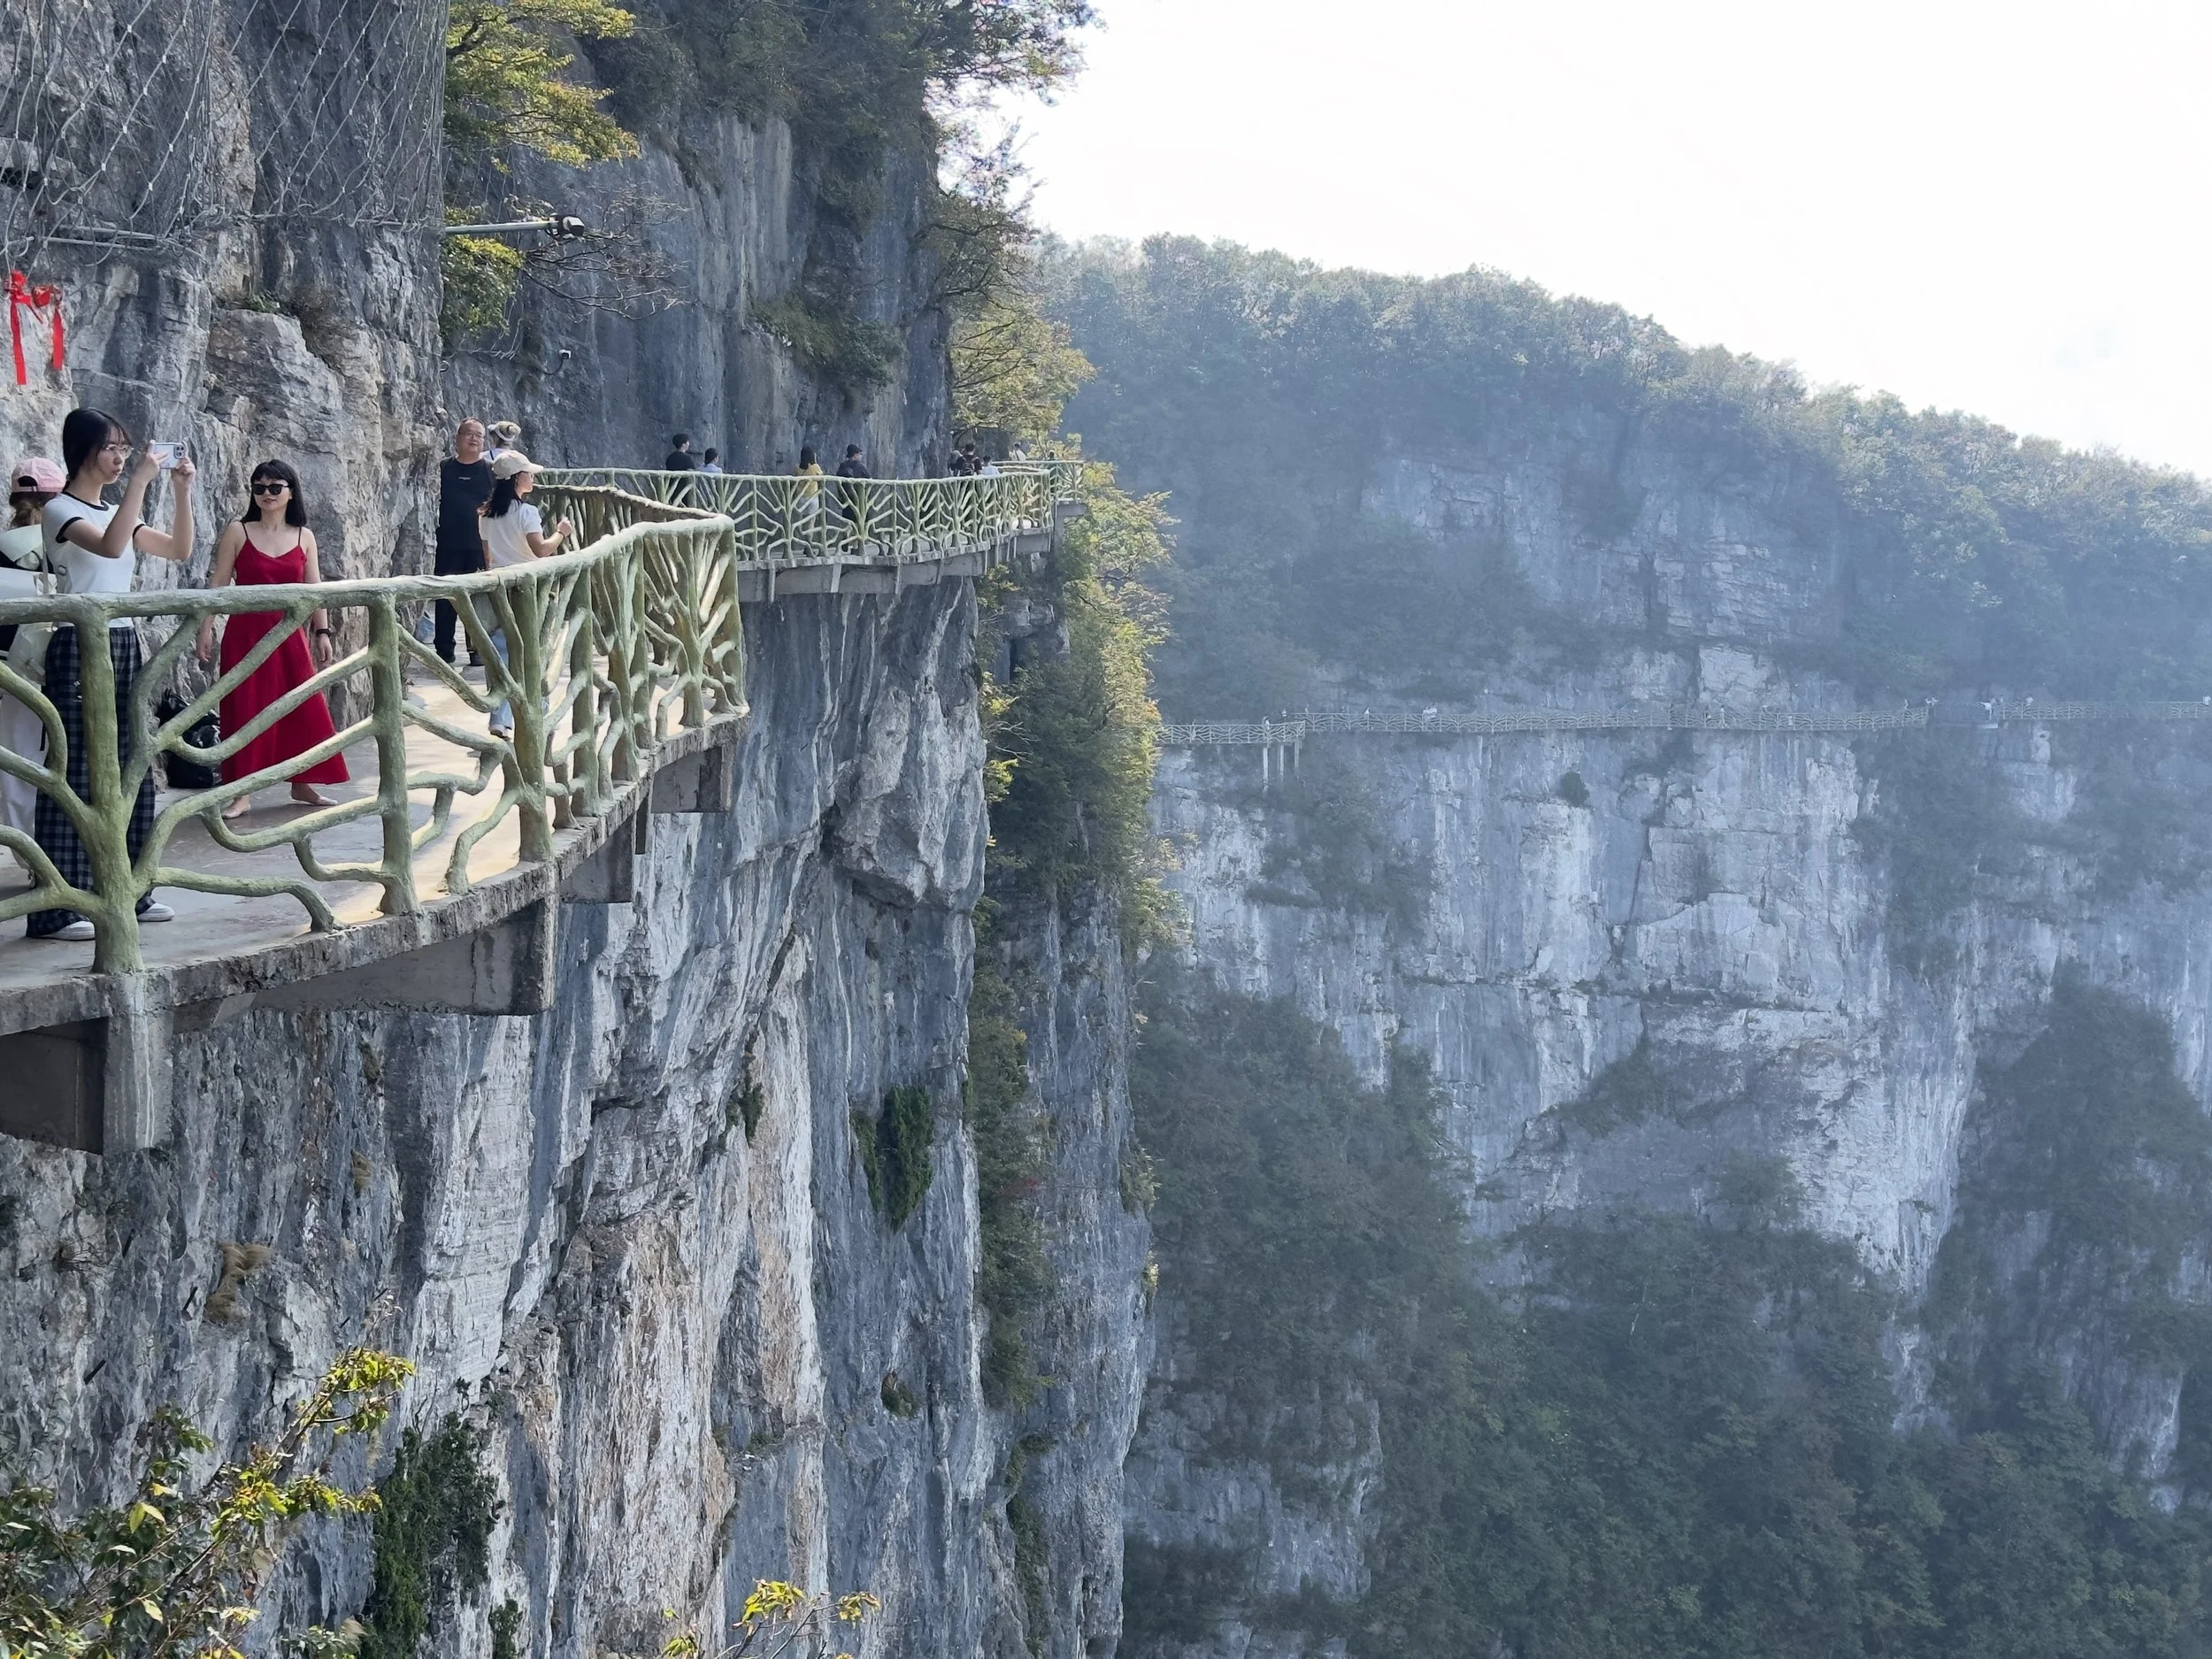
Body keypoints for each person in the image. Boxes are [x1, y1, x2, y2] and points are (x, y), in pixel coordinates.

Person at [27, 408, 195, 941]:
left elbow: (177, 550)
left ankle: (131, 888)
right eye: (112, 448)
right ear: (83, 451)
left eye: (127, 449)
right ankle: (57, 908)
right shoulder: (59, 510)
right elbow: (111, 546)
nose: (122, 458)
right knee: (76, 771)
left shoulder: (113, 508)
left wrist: (182, 490)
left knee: (133, 765)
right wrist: (142, 482)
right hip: (78, 641)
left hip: (121, 639)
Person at [195, 460, 349, 822]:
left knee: (301, 706)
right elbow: (217, 584)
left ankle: (303, 780)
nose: (266, 494)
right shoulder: (238, 530)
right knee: (244, 707)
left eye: (274, 487)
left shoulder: (304, 536)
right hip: (245, 633)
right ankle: (241, 791)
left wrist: (322, 632)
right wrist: (206, 628)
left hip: (289, 634)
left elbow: (314, 590)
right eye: (259, 487)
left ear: (290, 491)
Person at [479, 451, 572, 739]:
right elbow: (541, 550)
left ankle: (508, 716)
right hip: (529, 589)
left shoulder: (485, 515)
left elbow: (488, 556)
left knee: (504, 652)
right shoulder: (526, 513)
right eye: (529, 473)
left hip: (498, 586)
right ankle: (531, 713)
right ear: (519, 478)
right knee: (534, 650)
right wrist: (561, 533)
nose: (532, 477)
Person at [0, 457, 62, 858]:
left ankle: (28, 856)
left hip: (10, 669)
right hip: (66, 662)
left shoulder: (3, 547)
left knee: (17, 766)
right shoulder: (72, 542)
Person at [434, 419, 492, 665]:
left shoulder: (490, 471)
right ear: (457, 438)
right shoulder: (444, 468)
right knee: (445, 597)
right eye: (468, 434)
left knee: (477, 599)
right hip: (447, 543)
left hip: (479, 544)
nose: (474, 439)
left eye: (479, 435)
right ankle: (444, 650)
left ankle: (477, 648)